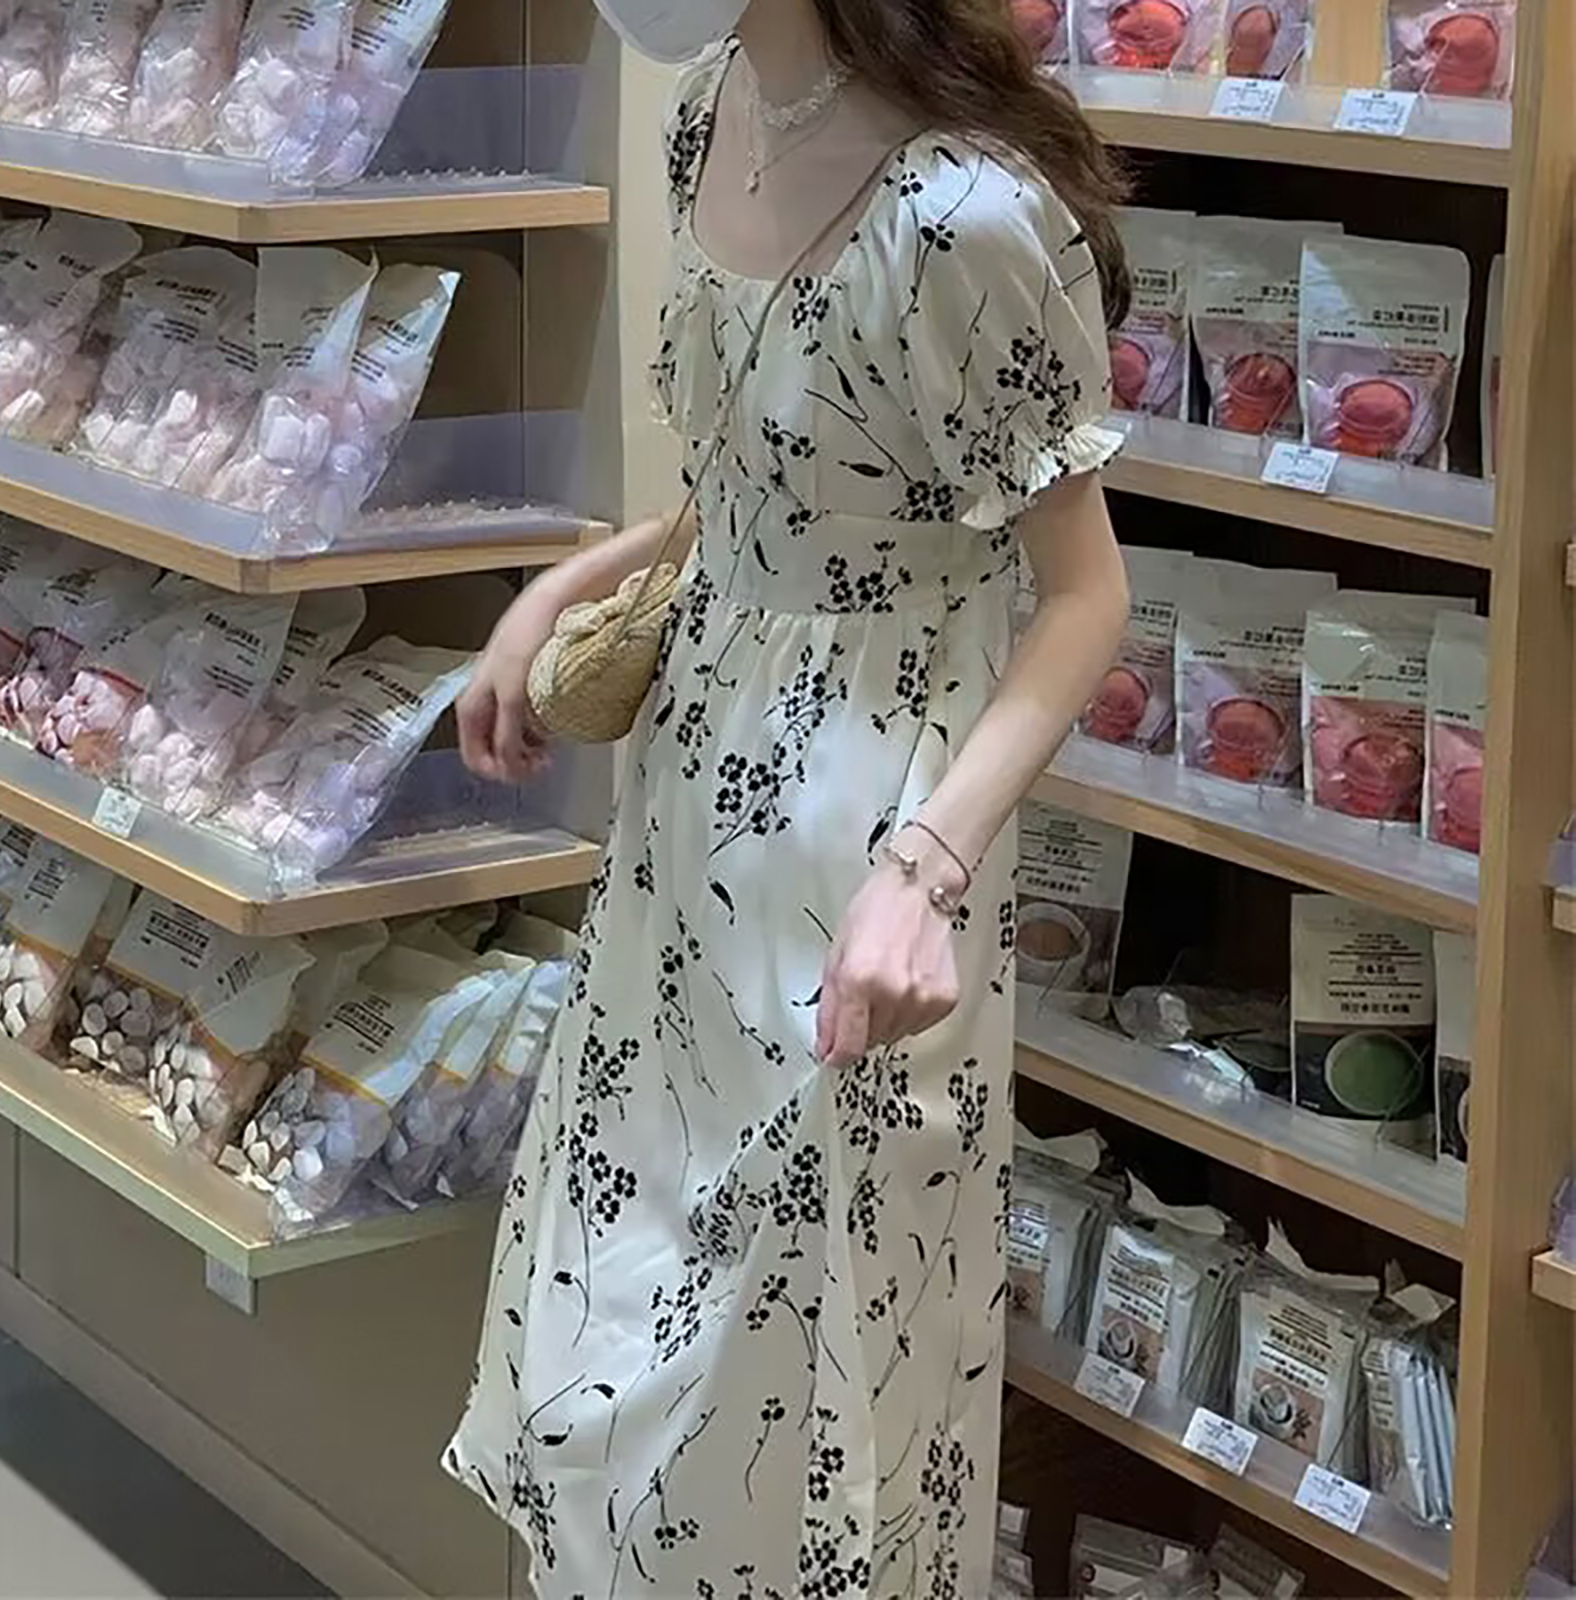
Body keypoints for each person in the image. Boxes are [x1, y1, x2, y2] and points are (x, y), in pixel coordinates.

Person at [445, 0, 1131, 1593]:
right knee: (617, 1319)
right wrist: (563, 588)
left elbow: (1085, 596)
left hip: (870, 842)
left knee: (809, 1332)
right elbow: (753, 479)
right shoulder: (706, 117)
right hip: (686, 825)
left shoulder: (967, 216)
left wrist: (929, 868)